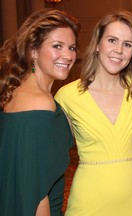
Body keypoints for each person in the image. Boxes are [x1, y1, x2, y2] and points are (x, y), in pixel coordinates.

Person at [55, 10, 132, 216]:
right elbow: (51, 160)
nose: (119, 50)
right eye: (112, 40)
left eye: (127, 44)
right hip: (89, 202)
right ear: (97, 44)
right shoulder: (67, 96)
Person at [0, 8, 80, 216]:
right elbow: (37, 193)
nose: (68, 55)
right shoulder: (41, 102)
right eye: (57, 46)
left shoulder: (14, 92)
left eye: (72, 47)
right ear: (33, 51)